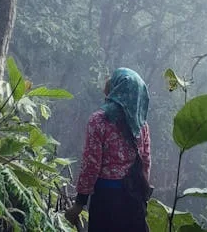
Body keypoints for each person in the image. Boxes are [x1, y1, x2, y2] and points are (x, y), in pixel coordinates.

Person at [65, 68, 151, 231]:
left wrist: (79, 204)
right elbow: (145, 163)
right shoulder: (142, 126)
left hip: (107, 200)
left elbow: (91, 166)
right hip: (135, 201)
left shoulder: (99, 121)